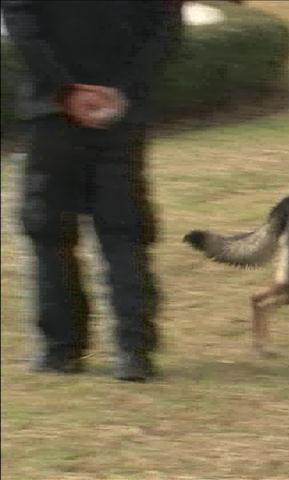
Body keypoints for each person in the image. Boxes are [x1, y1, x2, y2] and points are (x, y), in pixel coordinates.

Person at [3, 1, 182, 381]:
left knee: (50, 231)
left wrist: (64, 89)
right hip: (121, 113)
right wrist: (123, 90)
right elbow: (166, 27)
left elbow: (21, 20)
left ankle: (61, 349)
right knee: (124, 230)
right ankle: (134, 350)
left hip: (52, 113)